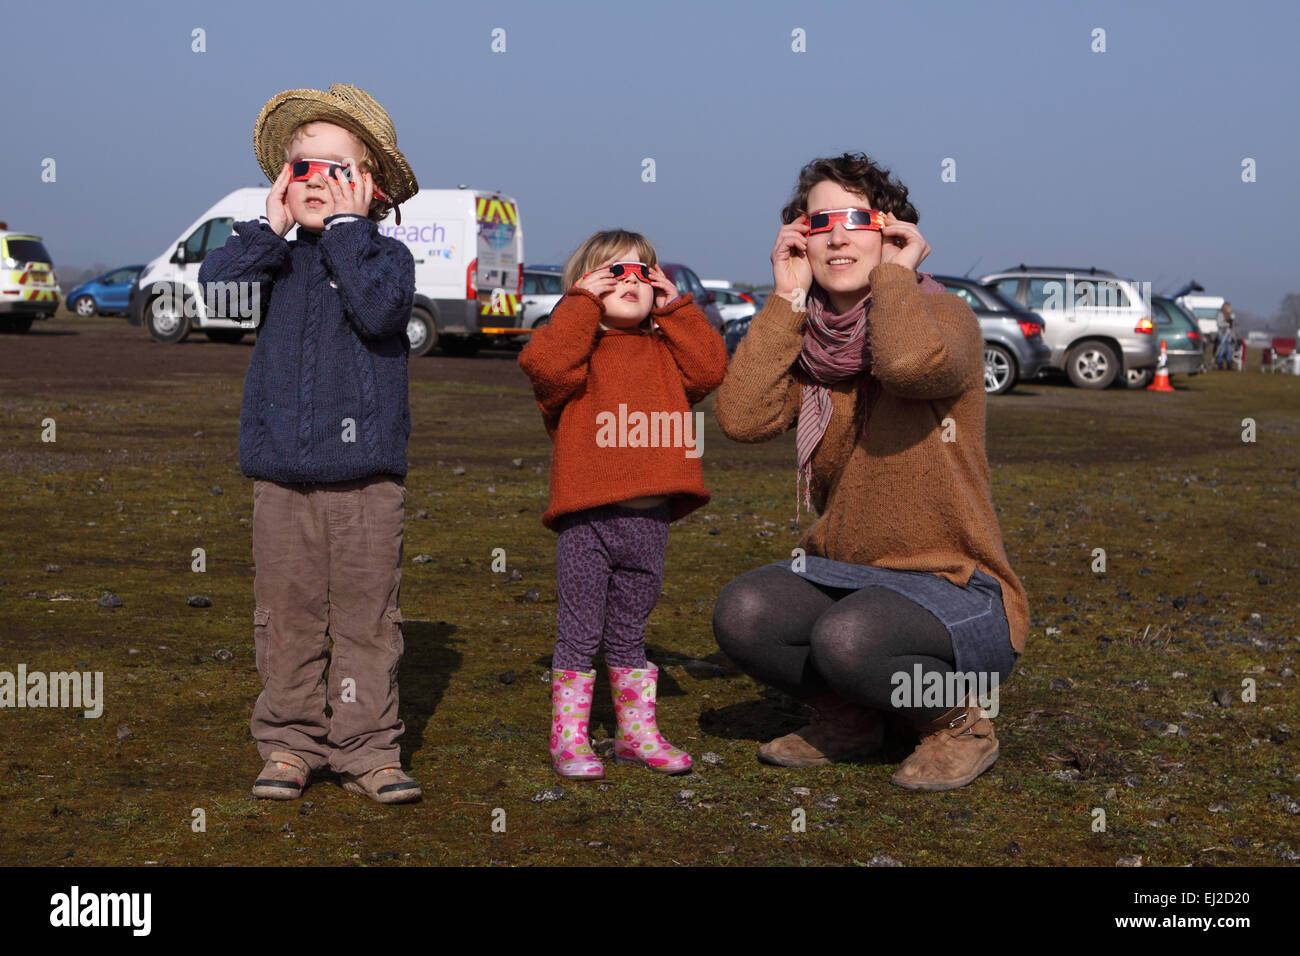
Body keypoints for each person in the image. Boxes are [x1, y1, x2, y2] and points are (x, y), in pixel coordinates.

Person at [711, 153, 1030, 791]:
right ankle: (852, 722)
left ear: (891, 232)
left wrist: (893, 278)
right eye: (818, 220)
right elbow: (741, 418)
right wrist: (786, 298)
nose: (835, 235)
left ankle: (958, 722)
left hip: (956, 584)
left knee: (848, 638)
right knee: (744, 611)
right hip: (845, 571)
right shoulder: (809, 346)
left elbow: (910, 366)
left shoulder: (946, 318)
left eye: (857, 218)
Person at [198, 84, 422, 804]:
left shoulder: (385, 258)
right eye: (301, 168)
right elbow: (218, 296)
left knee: (366, 617)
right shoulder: (274, 260)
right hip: (283, 473)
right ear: (280, 184)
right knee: (287, 614)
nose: (316, 182)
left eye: (336, 169)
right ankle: (290, 741)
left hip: (366, 477)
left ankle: (367, 746)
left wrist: (350, 231)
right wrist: (267, 232)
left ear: (372, 187)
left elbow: (382, 310)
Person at [518, 230, 727, 780]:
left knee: (630, 629)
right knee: (580, 630)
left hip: (650, 519)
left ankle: (635, 734)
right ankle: (569, 739)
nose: (631, 281)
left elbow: (709, 369)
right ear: (585, 286)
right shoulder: (574, 357)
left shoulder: (666, 353)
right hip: (588, 518)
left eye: (643, 272)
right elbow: (544, 365)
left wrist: (677, 304)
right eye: (616, 273)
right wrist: (580, 304)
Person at [1214, 302, 1235, 369]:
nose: (1230, 309)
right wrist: (1226, 324)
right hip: (1222, 334)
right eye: (1229, 307)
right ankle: (1219, 362)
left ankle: (1229, 363)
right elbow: (1219, 323)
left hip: (1228, 334)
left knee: (1229, 348)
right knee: (1221, 348)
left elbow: (1231, 324)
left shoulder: (1230, 315)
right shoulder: (1220, 314)